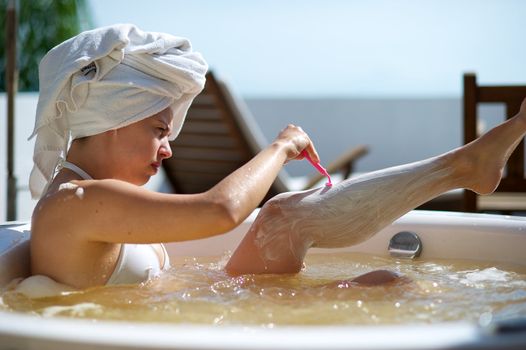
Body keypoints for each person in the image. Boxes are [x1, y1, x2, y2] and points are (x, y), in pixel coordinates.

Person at [27, 24, 526, 291]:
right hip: (199, 320)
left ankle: (464, 166)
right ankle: (463, 167)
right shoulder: (75, 201)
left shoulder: (94, 197)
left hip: (208, 302)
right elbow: (220, 211)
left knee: (289, 218)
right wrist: (281, 146)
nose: (169, 146)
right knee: (377, 280)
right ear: (112, 120)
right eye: (159, 129)